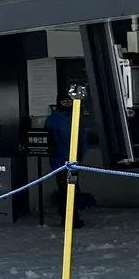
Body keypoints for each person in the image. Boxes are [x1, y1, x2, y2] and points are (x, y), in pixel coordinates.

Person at [46, 92, 85, 230]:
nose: (67, 103)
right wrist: (67, 159)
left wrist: (80, 155)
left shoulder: (75, 116)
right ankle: (70, 219)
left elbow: (82, 137)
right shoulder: (53, 120)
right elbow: (53, 144)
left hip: (74, 162)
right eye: (64, 101)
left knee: (71, 188)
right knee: (67, 189)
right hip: (62, 163)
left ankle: (67, 214)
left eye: (69, 101)